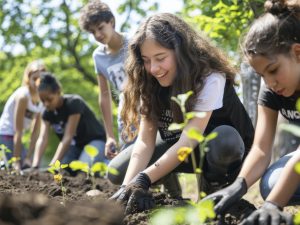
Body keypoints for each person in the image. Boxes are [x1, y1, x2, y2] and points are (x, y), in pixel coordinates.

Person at [108, 13, 254, 214]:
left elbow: (188, 141)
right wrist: (129, 187)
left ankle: (214, 188)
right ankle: (168, 192)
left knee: (225, 141)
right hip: (177, 143)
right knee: (116, 171)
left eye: (160, 58)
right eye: (146, 60)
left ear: (181, 51)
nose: (154, 68)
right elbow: (145, 142)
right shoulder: (147, 80)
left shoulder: (209, 76)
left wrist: (145, 177)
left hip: (223, 149)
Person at [202, 1, 300, 224]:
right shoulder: (272, 88)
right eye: (262, 75)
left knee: (276, 192)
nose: (269, 82)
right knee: (271, 184)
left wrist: (273, 205)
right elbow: (261, 148)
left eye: (273, 70)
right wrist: (238, 185)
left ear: (297, 52)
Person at [79, 0, 130, 159]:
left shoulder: (133, 42)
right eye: (93, 32)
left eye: (100, 28)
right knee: (123, 166)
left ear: (112, 22)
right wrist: (110, 136)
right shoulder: (98, 56)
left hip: (147, 106)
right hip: (126, 113)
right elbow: (105, 94)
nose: (98, 35)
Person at [31, 72, 107, 169]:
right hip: (75, 147)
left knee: (83, 170)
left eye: (49, 99)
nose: (46, 104)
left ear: (58, 92)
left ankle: (106, 163)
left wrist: (53, 164)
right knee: (64, 170)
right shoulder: (47, 113)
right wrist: (35, 165)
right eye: (42, 101)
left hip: (95, 141)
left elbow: (67, 138)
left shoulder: (74, 103)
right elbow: (42, 138)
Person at [0, 60, 45, 171]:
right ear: (28, 78)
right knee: (12, 167)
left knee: (26, 166)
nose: (37, 82)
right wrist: (16, 161)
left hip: (16, 137)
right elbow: (18, 131)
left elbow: (35, 131)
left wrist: (29, 157)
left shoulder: (42, 99)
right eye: (34, 79)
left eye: (40, 79)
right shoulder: (23, 96)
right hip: (6, 133)